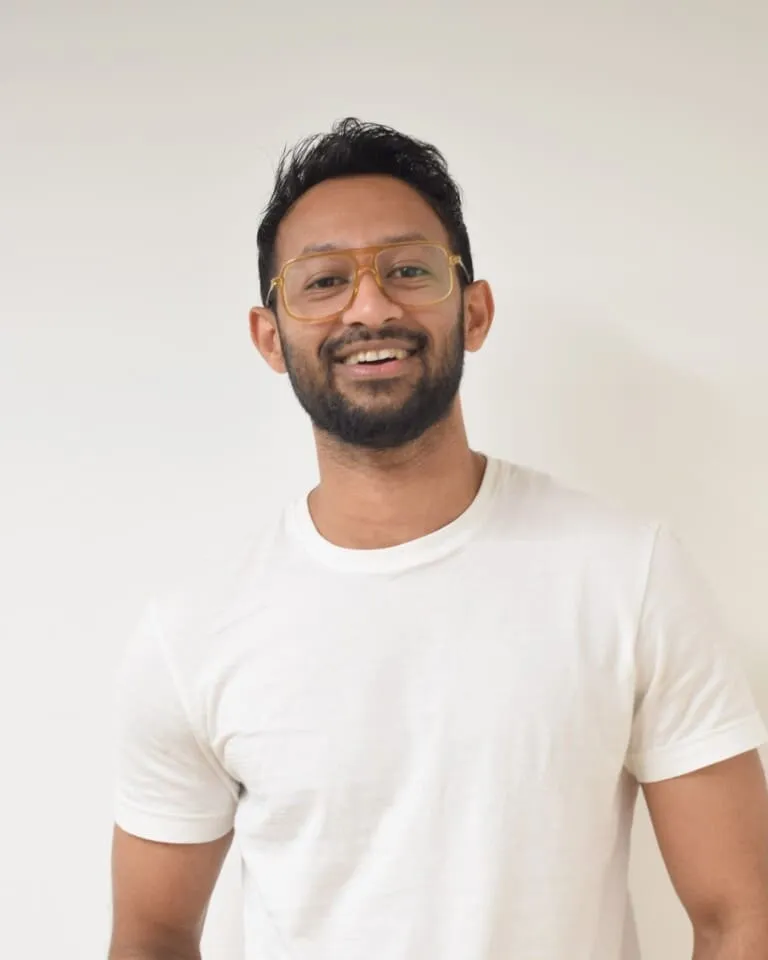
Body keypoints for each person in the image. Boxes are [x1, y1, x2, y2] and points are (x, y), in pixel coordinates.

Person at [108, 118, 768, 960]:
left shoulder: (627, 574)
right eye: (323, 282)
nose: (371, 305)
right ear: (270, 337)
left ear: (475, 309)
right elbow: (153, 936)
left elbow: (738, 915)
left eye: (410, 269)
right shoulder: (191, 634)